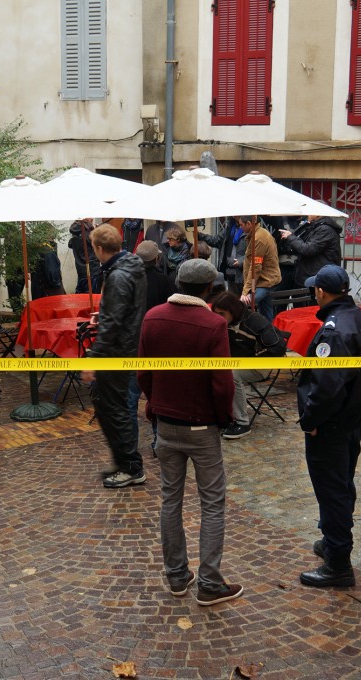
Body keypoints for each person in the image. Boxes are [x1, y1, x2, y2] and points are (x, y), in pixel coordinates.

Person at [137, 258, 243, 606]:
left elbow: (144, 372)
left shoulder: (152, 318)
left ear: (178, 283)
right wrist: (224, 417)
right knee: (212, 504)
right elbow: (222, 381)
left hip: (165, 423)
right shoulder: (213, 325)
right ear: (210, 288)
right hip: (201, 426)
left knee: (171, 500)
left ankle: (177, 576)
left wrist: (155, 403)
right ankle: (210, 582)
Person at [296, 264, 361, 588]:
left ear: (320, 291)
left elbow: (325, 386)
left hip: (332, 424)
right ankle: (331, 542)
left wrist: (310, 421)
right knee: (342, 483)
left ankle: (338, 563)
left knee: (333, 490)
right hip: (355, 418)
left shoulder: (335, 331)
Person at [82, 225, 147, 488]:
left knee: (114, 408)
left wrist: (93, 360)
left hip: (117, 352)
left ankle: (130, 466)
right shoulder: (131, 267)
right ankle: (127, 463)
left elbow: (113, 325)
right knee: (111, 405)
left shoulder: (119, 275)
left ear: (98, 248)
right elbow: (124, 312)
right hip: (124, 347)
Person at [209, 292, 287, 440]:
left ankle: (242, 423)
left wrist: (252, 359)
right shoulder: (221, 324)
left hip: (259, 365)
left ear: (233, 311)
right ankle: (221, 415)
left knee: (232, 375)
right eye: (216, 314)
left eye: (222, 314)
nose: (218, 317)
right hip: (233, 363)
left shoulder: (255, 321)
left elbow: (278, 347)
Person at [128, 240, 177, 450]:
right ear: (157, 258)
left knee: (130, 398)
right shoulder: (164, 281)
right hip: (158, 343)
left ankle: (129, 445)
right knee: (158, 395)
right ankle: (159, 440)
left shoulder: (126, 279)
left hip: (132, 344)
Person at [279, 215, 343, 292]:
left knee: (309, 303)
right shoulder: (315, 226)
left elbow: (307, 249)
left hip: (315, 277)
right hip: (310, 275)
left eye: (310, 213)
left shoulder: (324, 229)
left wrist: (290, 237)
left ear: (317, 214)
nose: (307, 214)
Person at [238, 216, 282, 321]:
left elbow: (255, 267)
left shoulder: (259, 238)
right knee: (266, 315)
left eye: (241, 225)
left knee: (243, 304)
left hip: (266, 281)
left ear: (248, 223)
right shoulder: (258, 234)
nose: (240, 228)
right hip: (264, 281)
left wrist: (245, 292)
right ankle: (268, 334)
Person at [68, 218, 101, 293]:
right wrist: (97, 232)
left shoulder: (75, 230)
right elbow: (99, 244)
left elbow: (70, 244)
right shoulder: (87, 231)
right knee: (92, 296)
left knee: (81, 295)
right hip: (92, 270)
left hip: (81, 269)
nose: (92, 218)